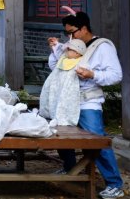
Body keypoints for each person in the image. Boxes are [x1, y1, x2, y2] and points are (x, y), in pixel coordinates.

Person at [47, 11, 124, 198]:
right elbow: (55, 66)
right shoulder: (71, 44)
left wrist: (93, 75)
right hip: (66, 100)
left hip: (88, 101)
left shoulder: (102, 47)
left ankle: (115, 183)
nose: (69, 37)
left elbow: (116, 75)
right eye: (67, 33)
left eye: (72, 32)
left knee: (96, 139)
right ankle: (70, 169)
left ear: (84, 28)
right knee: (62, 135)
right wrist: (56, 50)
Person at [40, 38, 86, 126]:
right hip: (57, 86)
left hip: (68, 88)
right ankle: (52, 115)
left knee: (65, 102)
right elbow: (54, 64)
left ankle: (64, 119)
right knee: (53, 99)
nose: (66, 51)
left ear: (77, 52)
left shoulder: (81, 62)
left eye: (69, 49)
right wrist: (55, 46)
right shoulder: (63, 59)